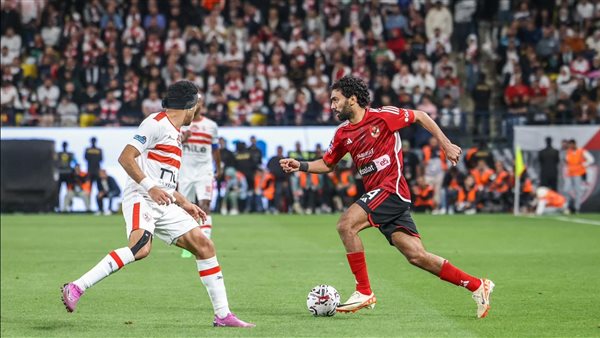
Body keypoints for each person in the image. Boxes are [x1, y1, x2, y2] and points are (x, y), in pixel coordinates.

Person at [280, 76, 494, 318]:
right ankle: (478, 285)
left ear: (352, 99)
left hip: (391, 190)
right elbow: (328, 163)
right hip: (380, 196)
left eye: (335, 100)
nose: (332, 106)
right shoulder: (343, 134)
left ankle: (364, 290)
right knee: (416, 256)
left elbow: (421, 116)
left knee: (345, 225)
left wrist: (445, 144)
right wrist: (300, 165)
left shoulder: (382, 116)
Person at [61, 81, 254, 328]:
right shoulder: (155, 123)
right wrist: (149, 187)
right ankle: (76, 287)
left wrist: (185, 203)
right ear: (190, 106)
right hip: (141, 197)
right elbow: (126, 157)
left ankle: (223, 315)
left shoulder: (174, 132)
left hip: (164, 201)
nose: (197, 111)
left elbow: (166, 182)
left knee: (204, 245)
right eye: (197, 106)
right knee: (140, 248)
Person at [178, 93, 222, 258]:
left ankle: (205, 243)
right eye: (195, 103)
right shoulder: (180, 125)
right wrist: (182, 140)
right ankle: (189, 244)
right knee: (186, 209)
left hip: (204, 171)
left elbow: (216, 148)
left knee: (204, 205)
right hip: (185, 172)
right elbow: (170, 146)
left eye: (200, 103)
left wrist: (219, 167)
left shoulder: (211, 125)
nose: (198, 105)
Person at [564, 139, 594, 213]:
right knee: (566, 190)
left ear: (574, 144)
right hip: (570, 173)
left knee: (578, 191)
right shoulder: (568, 152)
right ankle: (567, 206)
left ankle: (576, 208)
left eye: (571, 144)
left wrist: (583, 165)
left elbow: (591, 159)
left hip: (578, 173)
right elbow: (567, 161)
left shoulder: (581, 151)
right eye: (569, 145)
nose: (570, 146)